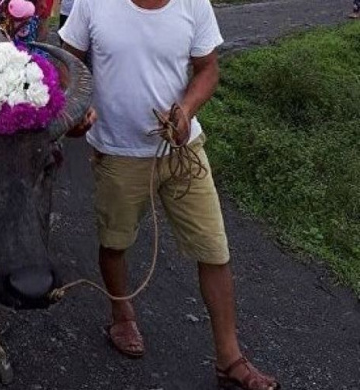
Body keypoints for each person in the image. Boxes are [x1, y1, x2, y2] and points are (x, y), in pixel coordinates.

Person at [58, 0, 280, 389]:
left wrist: (187, 109)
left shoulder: (193, 3)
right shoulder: (93, 3)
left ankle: (229, 357)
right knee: (115, 242)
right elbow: (68, 63)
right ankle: (122, 314)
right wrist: (78, 110)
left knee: (214, 248)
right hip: (119, 150)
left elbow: (208, 68)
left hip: (182, 150)